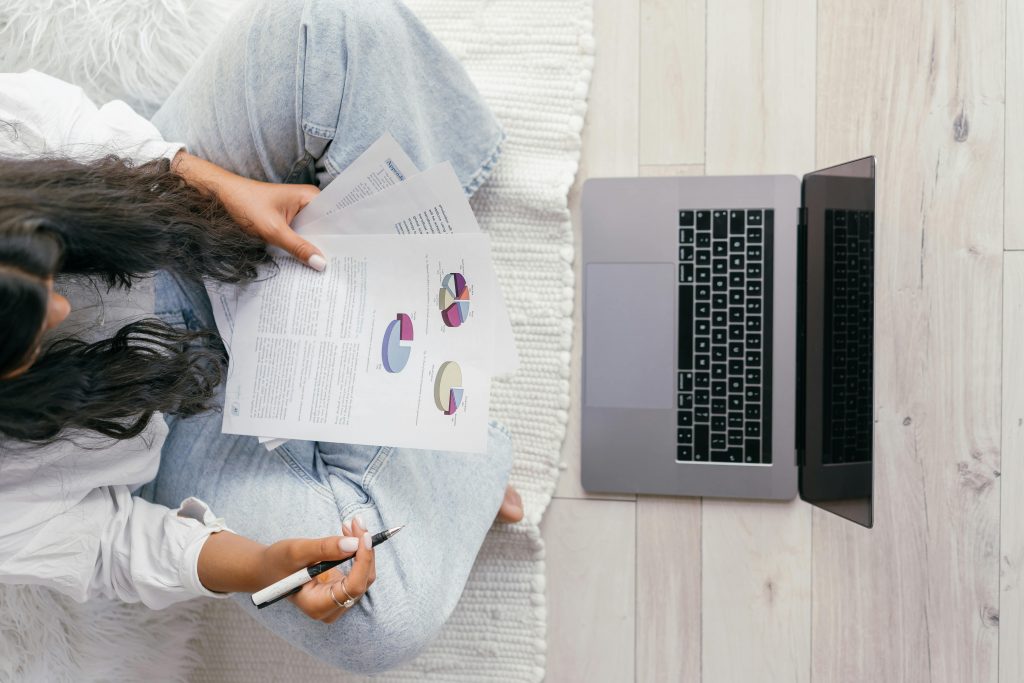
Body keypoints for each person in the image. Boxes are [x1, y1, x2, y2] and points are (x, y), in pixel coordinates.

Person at [0, 0, 523, 674]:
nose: (67, 308)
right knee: (376, 616)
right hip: (168, 422)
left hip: (164, 219)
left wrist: (223, 187)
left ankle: (431, 445)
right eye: (35, 342)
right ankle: (438, 428)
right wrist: (260, 564)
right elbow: (111, 544)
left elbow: (79, 134)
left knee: (329, 28)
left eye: (48, 264)